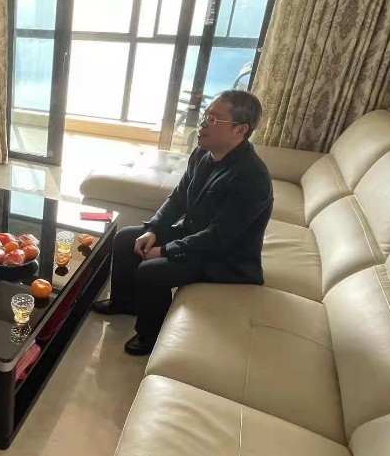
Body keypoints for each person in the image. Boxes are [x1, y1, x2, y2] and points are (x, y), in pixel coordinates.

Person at [93, 90, 273, 356]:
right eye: (205, 116)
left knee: (151, 270)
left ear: (240, 130)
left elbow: (219, 237)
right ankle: (125, 302)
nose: (202, 124)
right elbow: (178, 198)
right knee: (126, 239)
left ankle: (150, 335)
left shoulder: (251, 177)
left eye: (213, 119)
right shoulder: (202, 153)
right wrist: (154, 229)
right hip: (195, 236)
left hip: (226, 258)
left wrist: (166, 250)